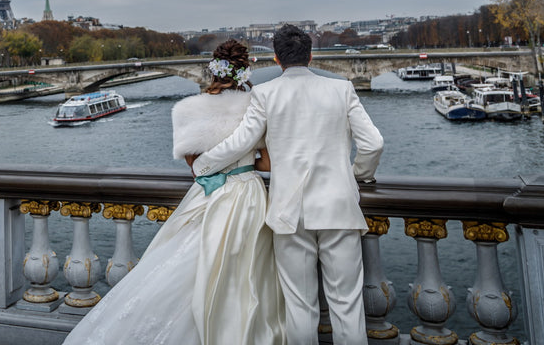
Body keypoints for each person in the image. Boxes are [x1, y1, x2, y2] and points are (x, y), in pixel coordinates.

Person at [63, 39, 285, 345]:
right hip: (247, 197)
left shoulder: (188, 110)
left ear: (212, 71)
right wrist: (246, 160)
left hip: (207, 195)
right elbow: (268, 163)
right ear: (244, 73)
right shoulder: (255, 107)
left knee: (182, 266)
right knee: (248, 277)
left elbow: (196, 169)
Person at [193, 25, 383, 345]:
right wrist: (358, 174)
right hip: (338, 207)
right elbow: (373, 143)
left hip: (289, 214)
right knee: (347, 306)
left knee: (300, 307)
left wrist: (203, 165)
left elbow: (241, 143)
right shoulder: (342, 89)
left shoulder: (265, 94)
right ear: (310, 55)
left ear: (277, 60)